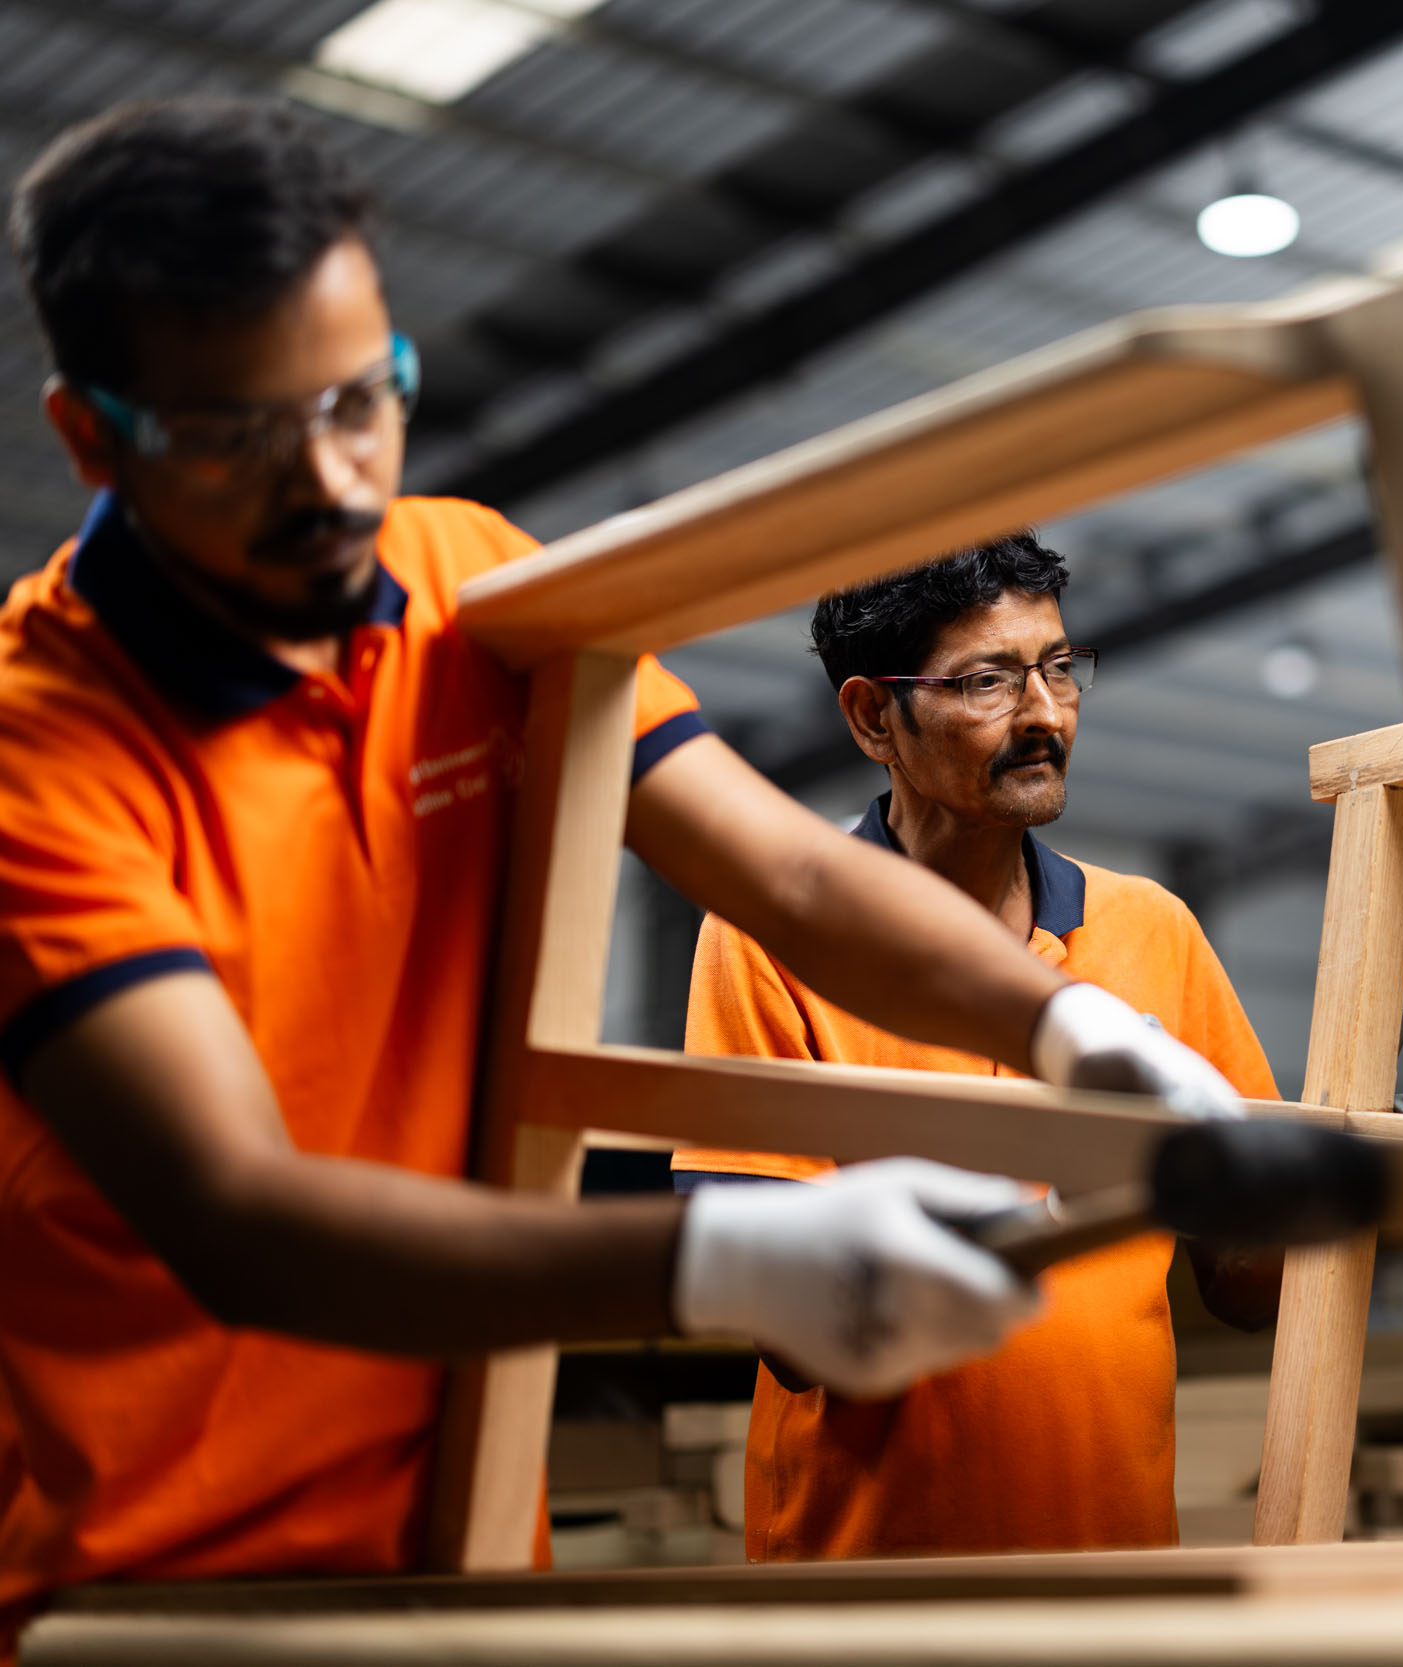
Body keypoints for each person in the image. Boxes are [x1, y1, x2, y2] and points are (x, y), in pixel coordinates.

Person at [0, 99, 1243, 1647]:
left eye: (361, 401)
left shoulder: (458, 584)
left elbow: (784, 868)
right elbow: (239, 1217)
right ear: (89, 433)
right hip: (161, 1583)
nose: (330, 480)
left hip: (464, 1538)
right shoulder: (39, 758)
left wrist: (1069, 1030)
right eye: (239, 436)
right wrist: (720, 1254)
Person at [671, 534, 1284, 1559]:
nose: (1043, 713)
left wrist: (1323, 1175)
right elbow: (777, 1324)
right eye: (986, 680)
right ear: (874, 716)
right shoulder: (770, 937)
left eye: (1056, 666)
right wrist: (1059, 1208)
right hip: (867, 1588)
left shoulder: (1152, 929)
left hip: (1117, 1573)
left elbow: (1252, 1286)